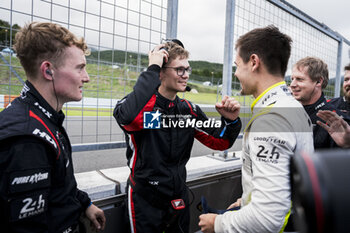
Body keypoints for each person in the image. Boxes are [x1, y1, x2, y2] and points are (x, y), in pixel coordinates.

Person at [113, 40, 242, 233]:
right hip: (145, 199)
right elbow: (129, 117)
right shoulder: (143, 109)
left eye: (187, 69)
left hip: (178, 195)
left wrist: (230, 122)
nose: (186, 75)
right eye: (180, 70)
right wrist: (152, 68)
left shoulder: (188, 111)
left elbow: (220, 141)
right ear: (161, 73)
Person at [198, 25, 314, 233]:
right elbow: (286, 179)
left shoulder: (272, 119)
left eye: (237, 65)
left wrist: (217, 224)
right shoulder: (291, 106)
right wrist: (247, 199)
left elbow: (267, 217)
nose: (235, 73)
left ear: (253, 62)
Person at [0, 22, 105, 232]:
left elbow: (59, 183)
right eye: (80, 68)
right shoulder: (27, 138)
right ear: (48, 70)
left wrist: (84, 203)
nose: (87, 77)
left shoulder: (43, 118)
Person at [290, 56, 350, 149]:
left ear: (318, 82)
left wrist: (346, 146)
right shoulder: (288, 111)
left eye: (299, 79)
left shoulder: (336, 121)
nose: (292, 84)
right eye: (292, 79)